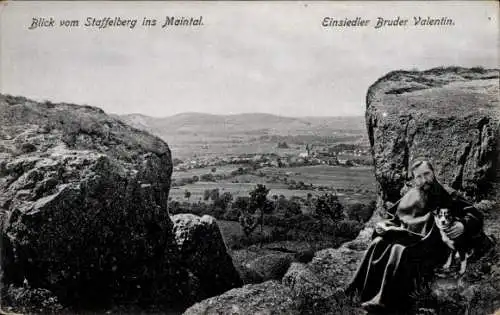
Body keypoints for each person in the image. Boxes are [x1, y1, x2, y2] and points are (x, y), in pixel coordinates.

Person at [346, 159, 484, 312]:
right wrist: (383, 226)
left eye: (427, 174)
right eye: (419, 177)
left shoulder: (448, 195)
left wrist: (463, 224)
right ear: (413, 179)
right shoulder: (411, 194)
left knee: (399, 250)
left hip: (434, 245)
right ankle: (359, 291)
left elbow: (475, 214)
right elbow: (395, 217)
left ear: (433, 173)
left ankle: (383, 301)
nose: (424, 180)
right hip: (410, 237)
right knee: (378, 242)